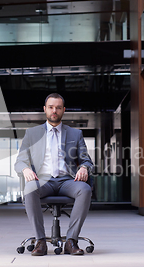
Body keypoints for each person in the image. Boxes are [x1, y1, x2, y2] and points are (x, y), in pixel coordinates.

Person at [14, 93, 93, 256]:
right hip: (42, 181)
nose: (54, 111)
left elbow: (86, 160)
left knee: (84, 190)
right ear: (45, 109)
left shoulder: (75, 134)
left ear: (63, 110)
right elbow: (19, 161)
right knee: (29, 188)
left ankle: (71, 241)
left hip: (67, 181)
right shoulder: (32, 133)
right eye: (51, 107)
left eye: (58, 107)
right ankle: (40, 241)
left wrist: (84, 167)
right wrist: (25, 169)